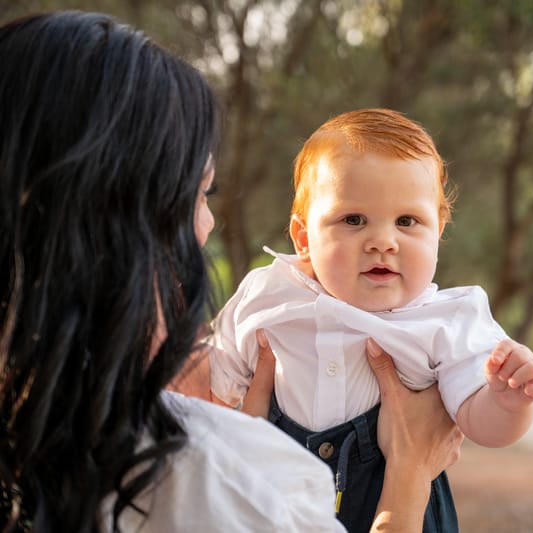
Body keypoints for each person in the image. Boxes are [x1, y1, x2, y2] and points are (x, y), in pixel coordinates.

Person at [0, 11, 463, 533]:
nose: (208, 224)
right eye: (200, 193)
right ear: (119, 227)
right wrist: (410, 474)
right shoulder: (195, 479)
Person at [209, 108, 533, 532]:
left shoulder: (448, 319)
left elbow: (482, 427)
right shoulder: (269, 294)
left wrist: (508, 400)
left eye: (407, 221)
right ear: (303, 238)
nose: (383, 242)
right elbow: (211, 391)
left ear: (438, 231)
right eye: (353, 220)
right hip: (283, 507)